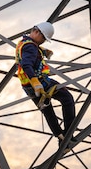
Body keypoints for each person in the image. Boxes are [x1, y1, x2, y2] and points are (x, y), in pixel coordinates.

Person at [15, 22, 76, 150]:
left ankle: (61, 139)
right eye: (43, 39)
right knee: (67, 98)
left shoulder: (23, 43)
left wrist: (40, 51)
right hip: (40, 82)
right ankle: (69, 133)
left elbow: (25, 55)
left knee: (48, 111)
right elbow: (26, 64)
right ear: (37, 32)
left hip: (27, 86)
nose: (43, 42)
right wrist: (36, 82)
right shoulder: (31, 47)